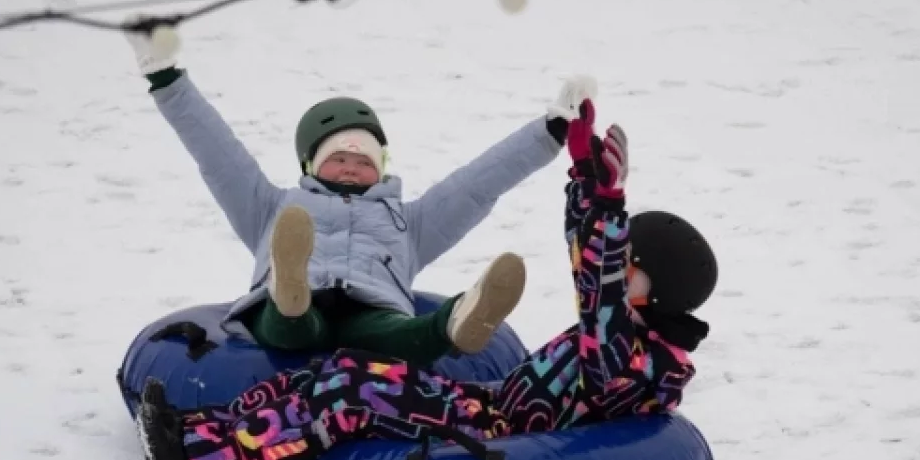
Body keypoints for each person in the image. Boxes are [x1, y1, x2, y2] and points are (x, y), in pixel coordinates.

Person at [135, 99, 719, 460]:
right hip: (489, 405)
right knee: (344, 371)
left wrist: (606, 205)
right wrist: (585, 182)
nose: (615, 270)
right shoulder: (628, 339)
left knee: (348, 394)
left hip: (499, 432)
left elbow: (598, 294)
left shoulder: (630, 359)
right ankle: (197, 435)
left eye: (627, 264)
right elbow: (596, 281)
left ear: (652, 287)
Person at [126, 30, 594, 364]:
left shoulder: (408, 222)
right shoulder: (270, 206)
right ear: (310, 166)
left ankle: (459, 319)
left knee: (399, 335)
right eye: (338, 158)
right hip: (295, 309)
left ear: (381, 168)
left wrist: (550, 132)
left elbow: (476, 185)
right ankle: (289, 286)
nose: (351, 166)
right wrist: (166, 78)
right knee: (289, 322)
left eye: (364, 160)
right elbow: (217, 152)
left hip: (373, 310)